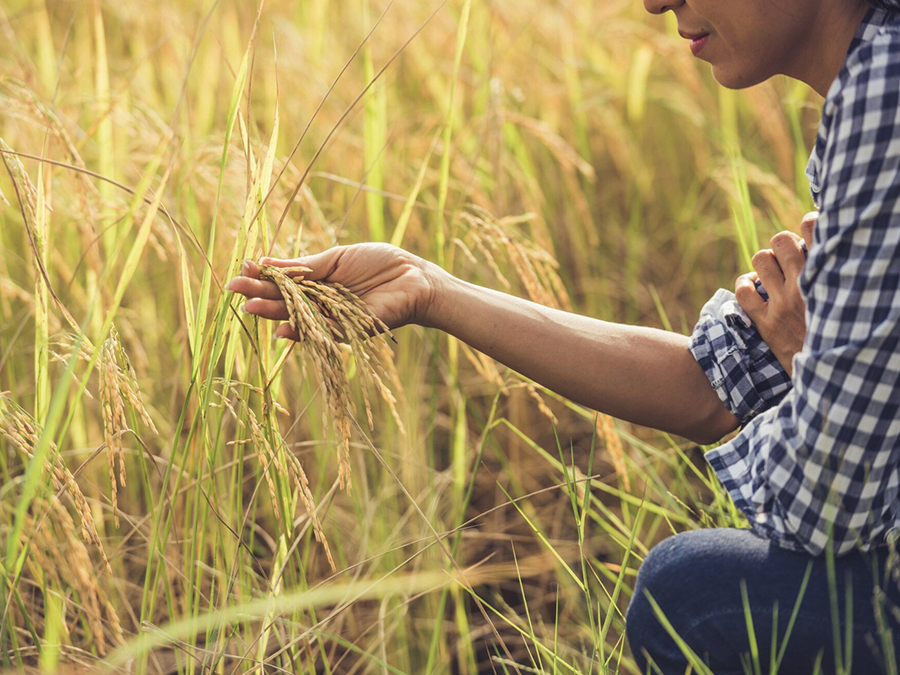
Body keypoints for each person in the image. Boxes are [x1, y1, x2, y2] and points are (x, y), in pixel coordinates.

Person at [227, 0, 900, 670]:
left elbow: (828, 505)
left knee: (691, 593)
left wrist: (804, 357)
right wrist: (428, 288)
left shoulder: (884, 107)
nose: (657, 2)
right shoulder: (865, 91)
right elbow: (708, 386)